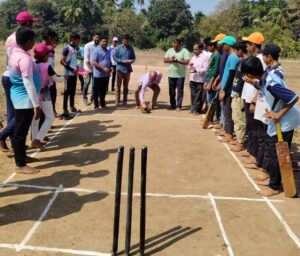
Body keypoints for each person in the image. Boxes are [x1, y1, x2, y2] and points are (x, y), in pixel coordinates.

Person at [241, 49, 300, 197]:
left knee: (276, 152)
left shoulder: (271, 83)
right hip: (280, 120)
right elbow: (261, 85)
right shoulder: (266, 75)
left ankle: (274, 186)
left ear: (249, 73)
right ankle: (275, 177)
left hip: (285, 120)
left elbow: (293, 97)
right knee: (274, 150)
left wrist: (278, 114)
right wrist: (253, 83)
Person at [0, 11, 39, 152]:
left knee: (13, 111)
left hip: (8, 74)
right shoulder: (22, 38)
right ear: (27, 23)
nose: (33, 25)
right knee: (21, 114)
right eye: (32, 22)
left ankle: (12, 141)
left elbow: (7, 60)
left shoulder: (10, 38)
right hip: (18, 77)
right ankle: (6, 137)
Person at [9, 27, 41, 174]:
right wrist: (36, 105)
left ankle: (23, 157)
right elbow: (28, 82)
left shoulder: (16, 53)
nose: (34, 42)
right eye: (33, 40)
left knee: (21, 130)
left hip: (20, 97)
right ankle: (20, 164)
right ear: (28, 41)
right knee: (20, 132)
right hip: (24, 100)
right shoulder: (24, 58)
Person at [31, 43, 65, 149]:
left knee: (36, 118)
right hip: (44, 94)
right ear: (45, 55)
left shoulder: (33, 64)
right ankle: (37, 139)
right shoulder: (47, 66)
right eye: (48, 54)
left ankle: (34, 139)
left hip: (34, 94)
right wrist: (65, 77)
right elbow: (56, 79)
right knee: (50, 117)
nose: (49, 56)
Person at [218, 36, 240, 143]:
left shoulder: (233, 57)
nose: (222, 46)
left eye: (224, 44)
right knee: (226, 112)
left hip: (229, 89)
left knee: (228, 112)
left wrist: (224, 90)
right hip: (226, 88)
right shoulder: (231, 56)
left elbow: (231, 75)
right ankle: (227, 130)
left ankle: (229, 133)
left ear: (228, 45)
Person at [229, 41, 248, 152]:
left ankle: (240, 142)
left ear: (240, 50)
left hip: (241, 94)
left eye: (236, 51)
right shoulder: (241, 62)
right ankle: (238, 139)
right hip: (235, 92)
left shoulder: (247, 62)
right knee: (235, 117)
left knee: (240, 119)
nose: (236, 53)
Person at [164, 38, 190, 111]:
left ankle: (179, 106)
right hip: (171, 74)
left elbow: (187, 62)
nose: (175, 48)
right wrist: (171, 60)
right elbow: (165, 60)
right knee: (171, 91)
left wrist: (177, 61)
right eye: (174, 46)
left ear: (180, 45)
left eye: (177, 46)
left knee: (180, 90)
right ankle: (172, 105)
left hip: (180, 75)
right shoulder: (170, 50)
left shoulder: (185, 51)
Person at [60, 32, 81, 119]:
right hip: (67, 74)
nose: (78, 42)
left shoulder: (76, 48)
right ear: (72, 40)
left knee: (72, 91)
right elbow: (62, 61)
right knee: (66, 92)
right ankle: (65, 110)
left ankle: (72, 107)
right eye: (77, 40)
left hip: (74, 73)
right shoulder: (67, 48)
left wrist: (78, 69)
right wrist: (71, 69)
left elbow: (76, 60)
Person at [114, 34, 136, 106]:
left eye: (127, 41)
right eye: (125, 41)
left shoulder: (131, 48)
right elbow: (115, 58)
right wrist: (122, 61)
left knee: (126, 86)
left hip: (128, 70)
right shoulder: (118, 48)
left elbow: (133, 57)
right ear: (122, 40)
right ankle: (117, 101)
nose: (126, 43)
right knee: (118, 86)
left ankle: (125, 101)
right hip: (120, 69)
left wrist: (131, 61)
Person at [42, 28, 59, 116]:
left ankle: (51, 113)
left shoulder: (50, 49)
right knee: (45, 99)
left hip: (51, 76)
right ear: (49, 38)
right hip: (45, 79)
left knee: (53, 95)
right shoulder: (42, 49)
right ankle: (46, 118)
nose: (54, 41)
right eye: (53, 38)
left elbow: (50, 63)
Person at [92, 35, 112, 110]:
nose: (105, 43)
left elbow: (108, 61)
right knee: (96, 90)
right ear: (100, 41)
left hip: (105, 75)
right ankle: (96, 105)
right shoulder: (96, 50)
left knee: (103, 90)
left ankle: (102, 104)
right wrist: (103, 68)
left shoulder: (107, 51)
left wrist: (110, 68)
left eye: (106, 41)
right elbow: (94, 62)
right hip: (98, 75)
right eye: (103, 41)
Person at [188, 43, 208, 115]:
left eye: (196, 49)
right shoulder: (193, 57)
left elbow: (206, 68)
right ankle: (193, 108)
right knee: (193, 94)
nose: (194, 50)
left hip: (200, 79)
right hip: (192, 78)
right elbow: (189, 67)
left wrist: (198, 70)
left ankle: (197, 110)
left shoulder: (204, 57)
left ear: (200, 49)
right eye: (193, 49)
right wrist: (190, 66)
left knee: (198, 95)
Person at [83, 32, 100, 105]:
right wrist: (90, 68)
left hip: (96, 68)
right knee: (87, 82)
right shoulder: (88, 45)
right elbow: (86, 59)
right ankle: (84, 98)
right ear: (93, 37)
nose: (97, 38)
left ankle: (93, 97)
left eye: (98, 37)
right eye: (96, 37)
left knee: (95, 84)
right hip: (87, 67)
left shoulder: (99, 46)